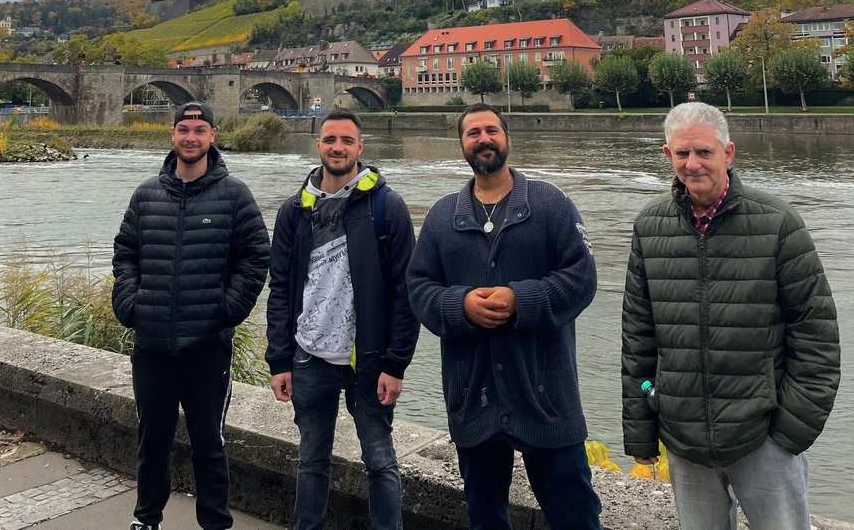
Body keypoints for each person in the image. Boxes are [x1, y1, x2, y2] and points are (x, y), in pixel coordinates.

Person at [621, 101, 840, 530]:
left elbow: (817, 340)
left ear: (729, 152)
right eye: (682, 153)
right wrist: (644, 426)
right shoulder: (650, 227)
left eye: (704, 152)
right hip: (683, 439)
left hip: (763, 436)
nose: (692, 163)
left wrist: (789, 433)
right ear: (667, 155)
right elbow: (638, 339)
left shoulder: (778, 224)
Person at [407, 103, 602, 530]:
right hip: (473, 395)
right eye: (472, 132)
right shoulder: (442, 217)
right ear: (461, 145)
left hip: (545, 395)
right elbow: (419, 288)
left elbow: (582, 279)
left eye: (491, 130)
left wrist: (520, 300)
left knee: (575, 515)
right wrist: (461, 307)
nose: (483, 139)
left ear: (507, 138)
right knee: (485, 517)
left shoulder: (551, 205)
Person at [112, 102, 271, 530]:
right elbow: (125, 254)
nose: (191, 137)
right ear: (172, 135)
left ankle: (215, 524)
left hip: (207, 349)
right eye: (184, 129)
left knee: (209, 445)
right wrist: (131, 305)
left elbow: (256, 259)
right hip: (152, 346)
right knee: (152, 440)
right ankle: (146, 520)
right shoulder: (146, 194)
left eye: (199, 130)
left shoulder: (235, 195)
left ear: (212, 137)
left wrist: (227, 311)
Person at [265, 108, 419, 530]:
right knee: (311, 458)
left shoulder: (387, 208)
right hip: (309, 355)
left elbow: (407, 292)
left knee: (380, 461)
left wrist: (395, 363)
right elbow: (279, 289)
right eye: (330, 139)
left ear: (360, 147)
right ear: (319, 144)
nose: (338, 147)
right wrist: (279, 358)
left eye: (347, 141)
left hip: (367, 359)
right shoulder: (294, 210)